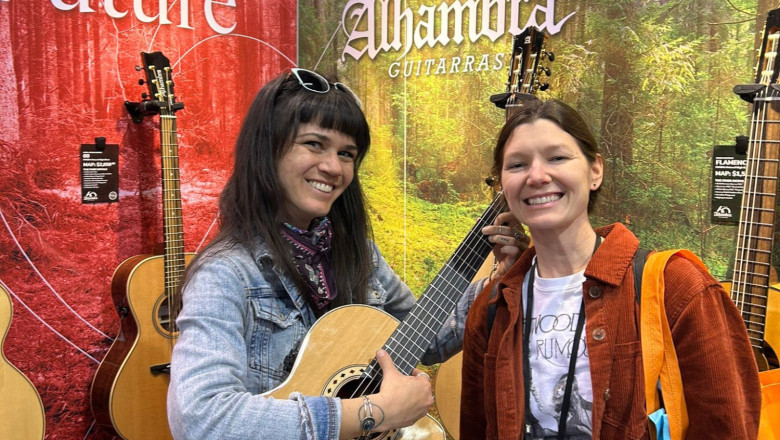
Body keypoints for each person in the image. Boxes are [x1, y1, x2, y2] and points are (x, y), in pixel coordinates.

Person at [166, 68, 525, 440]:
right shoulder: (225, 273)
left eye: (346, 153)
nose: (333, 167)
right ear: (266, 148)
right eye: (314, 144)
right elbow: (200, 420)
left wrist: (498, 281)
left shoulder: (356, 254)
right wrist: (371, 412)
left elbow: (424, 337)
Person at [459, 99, 762, 439]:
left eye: (557, 157)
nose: (537, 176)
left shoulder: (675, 286)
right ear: (502, 182)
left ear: (595, 171)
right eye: (517, 165)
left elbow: (727, 427)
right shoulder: (494, 306)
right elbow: (477, 427)